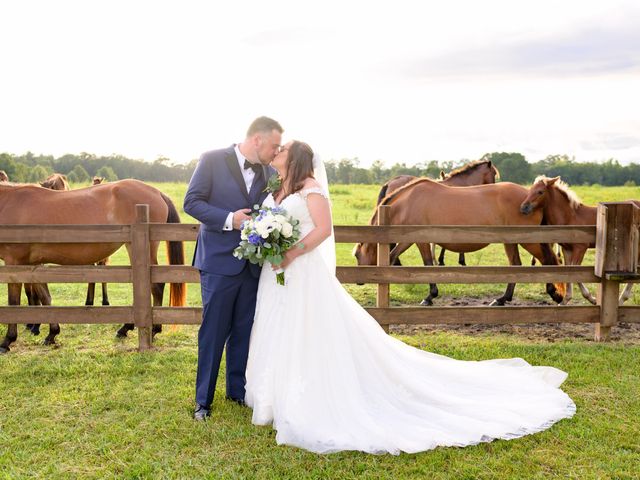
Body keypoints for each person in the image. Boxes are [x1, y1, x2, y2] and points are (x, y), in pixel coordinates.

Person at [244, 140, 576, 454]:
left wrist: (291, 252)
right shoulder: (283, 187)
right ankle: (276, 393)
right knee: (283, 326)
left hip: (301, 268)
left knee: (312, 327)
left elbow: (323, 230)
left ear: (297, 158)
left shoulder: (312, 190)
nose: (278, 149)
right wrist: (266, 239)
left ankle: (311, 394)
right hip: (280, 272)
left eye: (284, 148)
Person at [184, 116, 283, 421]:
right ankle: (203, 401)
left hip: (253, 265)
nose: (276, 152)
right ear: (257, 140)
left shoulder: (271, 173)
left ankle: (237, 391)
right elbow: (192, 202)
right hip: (217, 262)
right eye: (274, 145)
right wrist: (230, 219)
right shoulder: (212, 160)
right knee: (213, 333)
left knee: (243, 330)